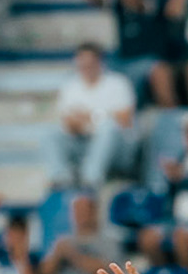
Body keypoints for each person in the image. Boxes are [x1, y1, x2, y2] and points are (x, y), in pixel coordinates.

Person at [44, 45, 136, 188]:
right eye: (82, 64)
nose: (86, 68)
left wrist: (90, 116)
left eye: (90, 64)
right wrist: (101, 117)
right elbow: (68, 123)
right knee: (50, 134)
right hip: (83, 142)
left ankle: (91, 180)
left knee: (107, 128)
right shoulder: (70, 87)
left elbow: (125, 119)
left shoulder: (118, 83)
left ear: (100, 62)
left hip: (118, 148)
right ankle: (60, 179)